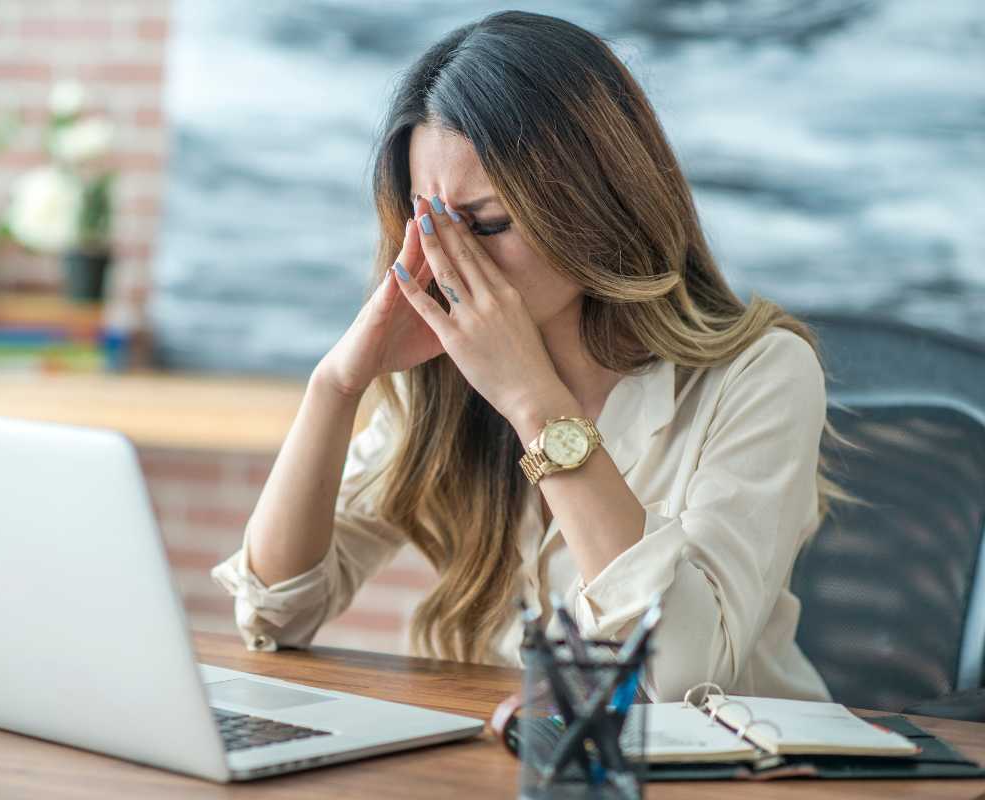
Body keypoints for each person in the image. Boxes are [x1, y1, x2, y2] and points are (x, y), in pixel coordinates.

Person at [211, 9, 849, 703]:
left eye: (487, 224)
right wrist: (336, 386)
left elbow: (678, 678)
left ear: (596, 200)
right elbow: (277, 615)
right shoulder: (446, 378)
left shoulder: (761, 375)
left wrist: (533, 403)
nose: (453, 259)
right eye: (433, 224)